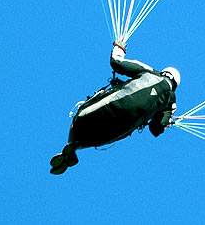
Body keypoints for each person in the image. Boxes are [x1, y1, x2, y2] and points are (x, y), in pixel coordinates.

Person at [49, 43, 181, 175]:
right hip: (124, 125)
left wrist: (119, 47)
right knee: (105, 134)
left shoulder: (149, 72)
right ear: (175, 85)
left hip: (112, 105)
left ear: (164, 71)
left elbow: (116, 62)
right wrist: (167, 123)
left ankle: (72, 145)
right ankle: (74, 147)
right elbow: (156, 129)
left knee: (83, 117)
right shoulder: (171, 101)